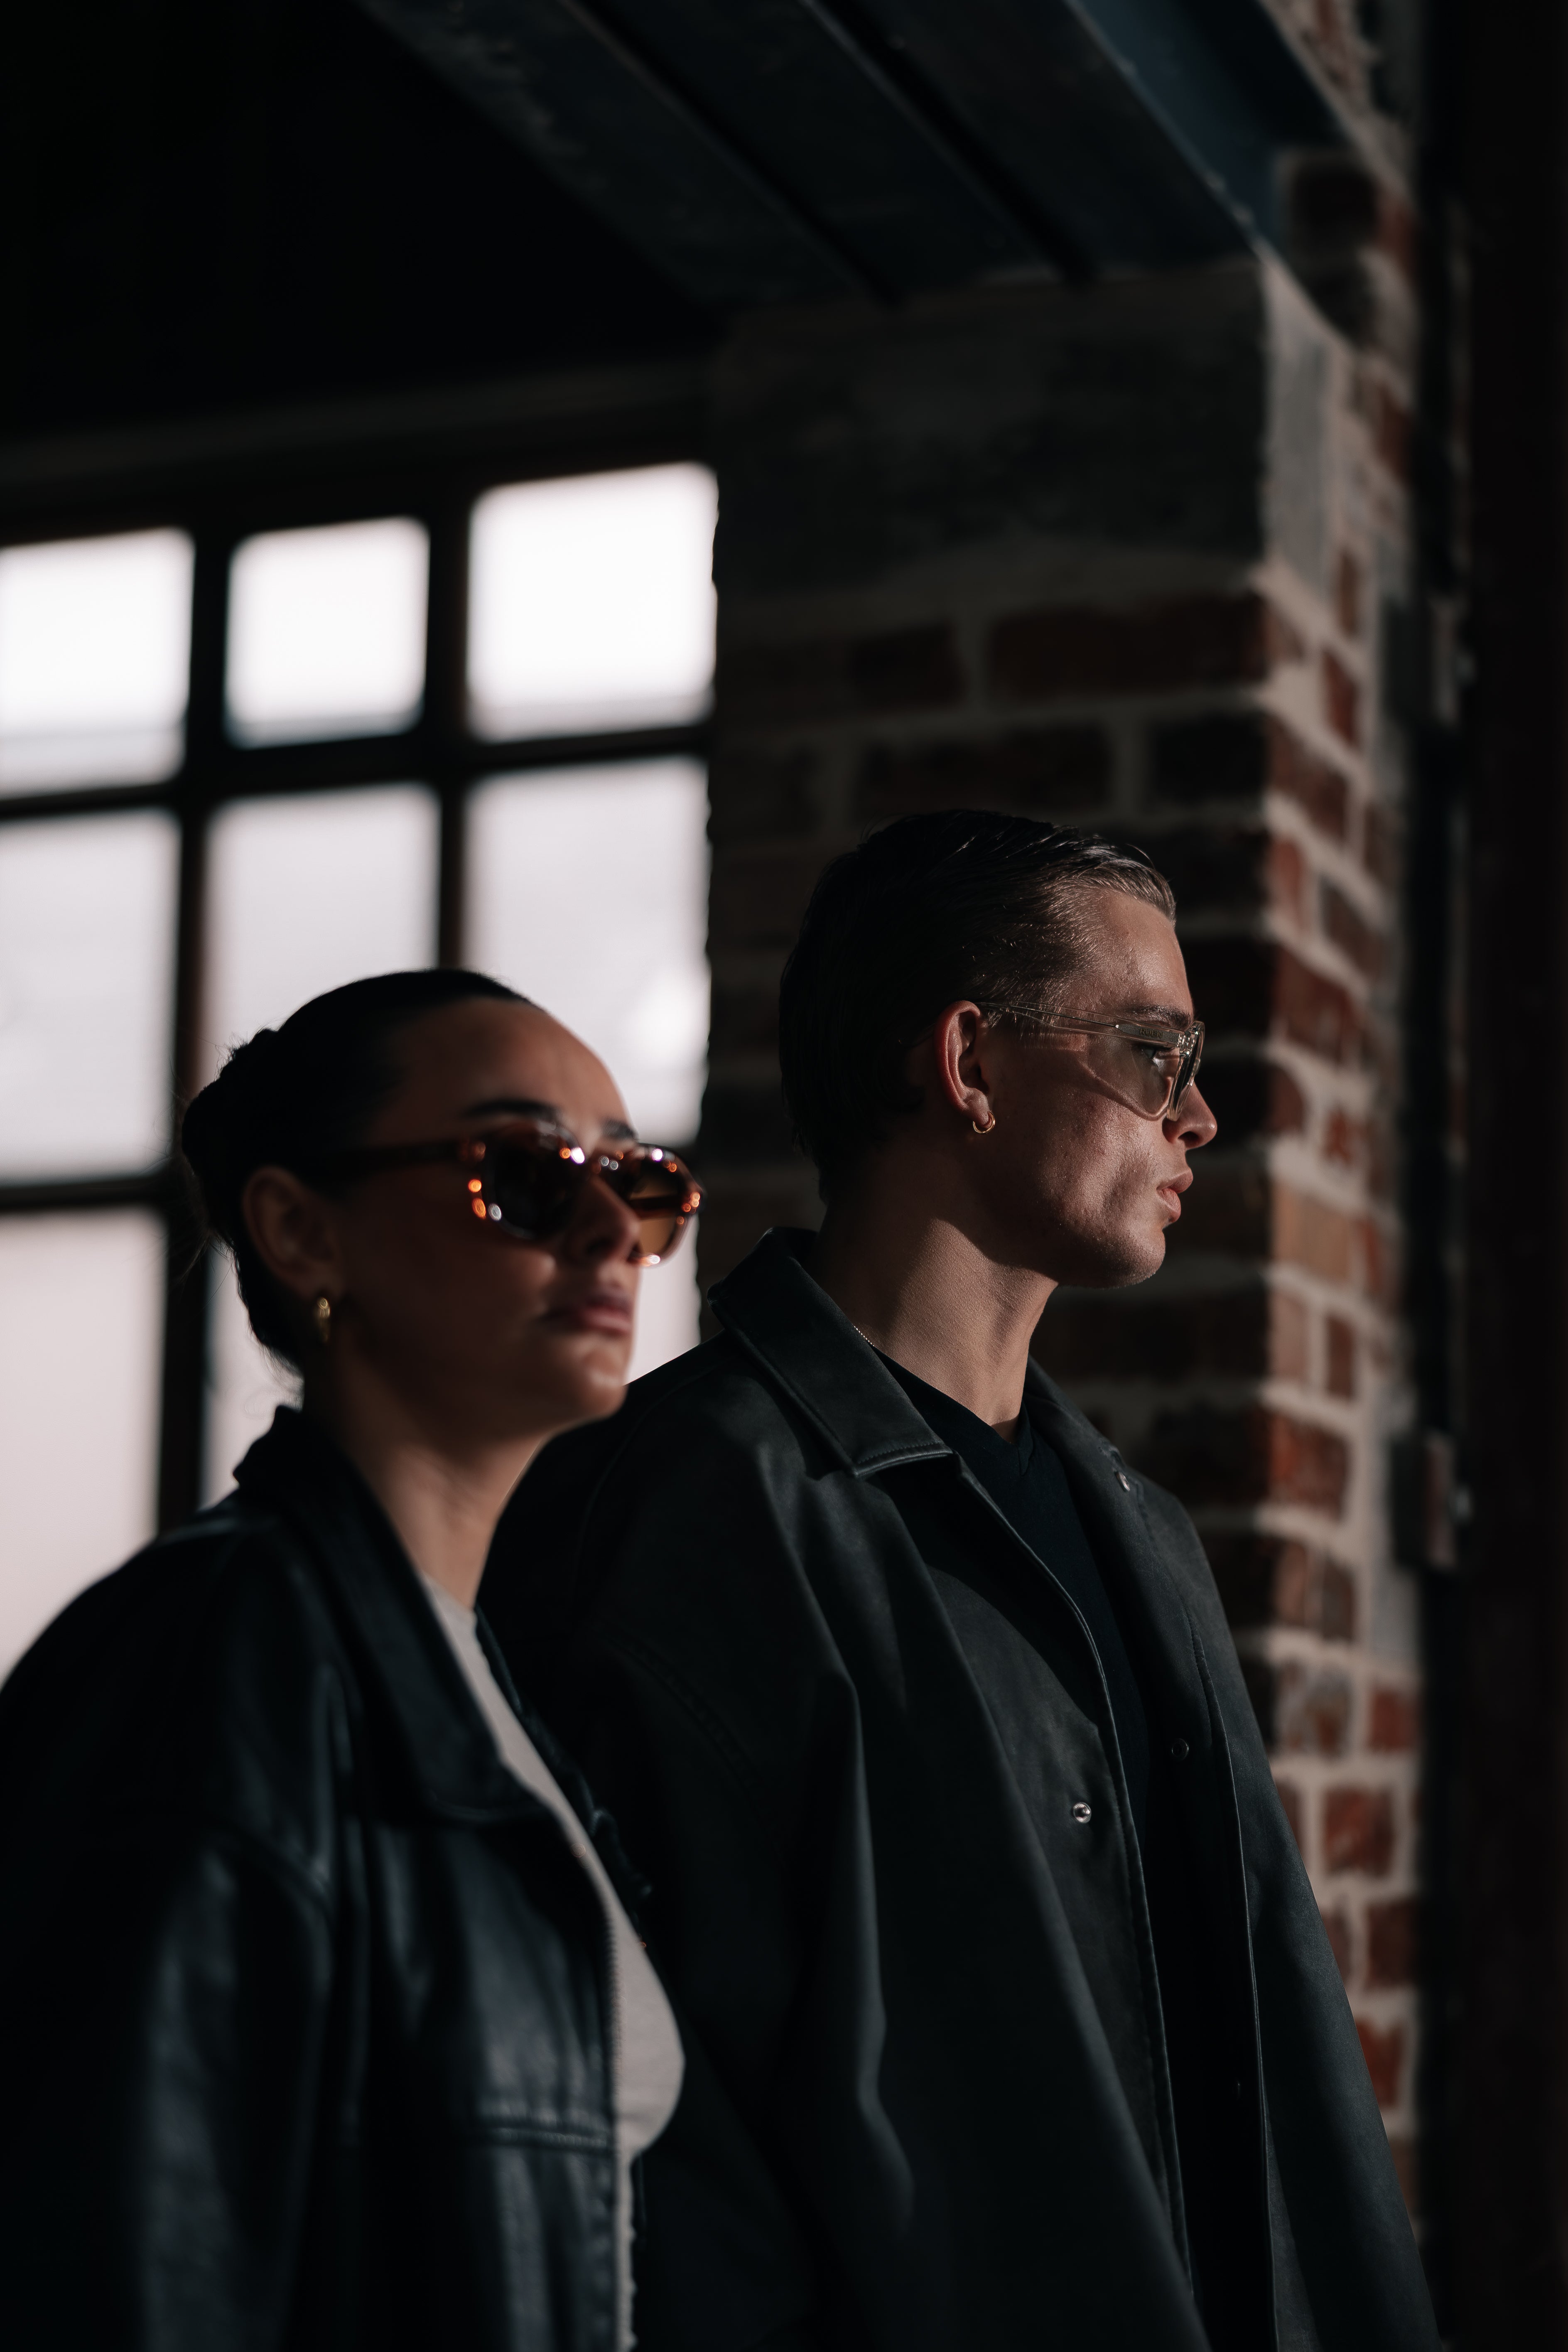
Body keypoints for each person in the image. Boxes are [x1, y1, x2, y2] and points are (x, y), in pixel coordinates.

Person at [481, 815, 1440, 2352]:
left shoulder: (1138, 1528)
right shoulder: (686, 1504)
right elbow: (640, 2131)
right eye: (1152, 1053)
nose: (1199, 1119)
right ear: (971, 1063)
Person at [0, 967, 704, 2352]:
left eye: (642, 1180)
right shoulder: (217, 1660)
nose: (613, 1230)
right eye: (527, 1172)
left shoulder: (471, 1679)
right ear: (302, 1232)